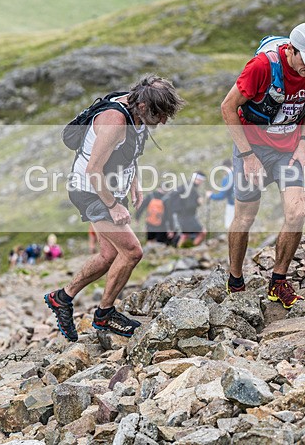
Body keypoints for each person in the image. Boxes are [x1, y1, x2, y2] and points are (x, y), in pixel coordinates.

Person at [45, 75, 185, 341]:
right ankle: (105, 314)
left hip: (110, 189)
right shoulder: (114, 121)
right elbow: (94, 169)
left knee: (109, 255)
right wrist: (113, 206)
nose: (164, 121)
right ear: (143, 106)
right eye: (161, 115)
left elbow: (128, 154)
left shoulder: (137, 111)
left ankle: (61, 298)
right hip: (91, 191)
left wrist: (134, 183)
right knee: (132, 251)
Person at [221, 22, 305, 309]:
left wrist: (304, 142)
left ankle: (278, 281)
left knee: (297, 213)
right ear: (291, 50)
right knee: (245, 217)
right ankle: (235, 279)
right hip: (252, 146)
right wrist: (247, 156)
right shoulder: (261, 67)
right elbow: (227, 107)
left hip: (288, 151)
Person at [170, 171, 207, 247]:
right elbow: (189, 206)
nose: (201, 182)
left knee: (185, 235)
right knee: (202, 232)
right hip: (188, 216)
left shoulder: (185, 186)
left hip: (180, 215)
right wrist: (198, 202)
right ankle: (193, 249)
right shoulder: (191, 189)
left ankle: (179, 251)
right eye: (201, 180)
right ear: (198, 179)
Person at [208, 159, 235, 230]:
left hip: (233, 205)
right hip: (246, 204)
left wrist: (211, 195)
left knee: (230, 226)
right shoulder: (240, 174)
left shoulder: (227, 179)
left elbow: (222, 196)